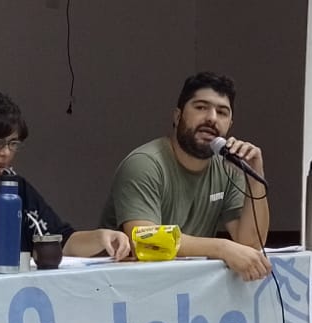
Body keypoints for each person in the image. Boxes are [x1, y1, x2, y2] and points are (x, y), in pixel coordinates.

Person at [0, 86, 130, 261]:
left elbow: (61, 240)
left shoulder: (16, 189)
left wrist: (101, 237)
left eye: (13, 144)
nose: (6, 153)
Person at [99, 72, 271, 281]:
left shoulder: (229, 167)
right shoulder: (145, 163)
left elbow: (250, 245)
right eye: (201, 107)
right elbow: (145, 240)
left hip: (186, 285)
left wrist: (255, 176)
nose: (212, 118)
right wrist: (222, 248)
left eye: (222, 112)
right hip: (127, 286)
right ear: (177, 116)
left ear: (230, 124)